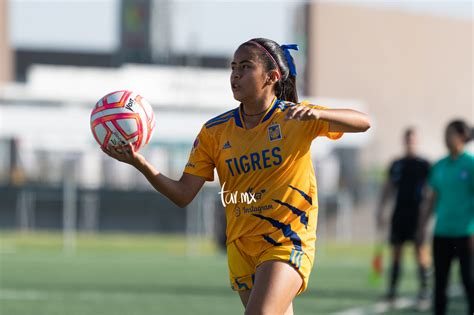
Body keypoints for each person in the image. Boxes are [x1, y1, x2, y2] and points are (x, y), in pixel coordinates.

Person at [103, 38, 370, 315]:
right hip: (241, 247)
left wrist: (315, 114)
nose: (235, 75)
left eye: (245, 66)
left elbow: (364, 122)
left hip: (286, 240)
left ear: (271, 77)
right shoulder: (214, 132)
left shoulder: (294, 118)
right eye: (232, 67)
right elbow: (183, 195)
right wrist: (140, 163)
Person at [419, 120, 474, 315]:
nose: (445, 137)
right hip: (442, 233)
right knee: (440, 282)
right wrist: (423, 226)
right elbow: (432, 200)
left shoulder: (471, 164)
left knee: (469, 280)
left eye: (449, 133)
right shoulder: (440, 166)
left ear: (461, 136)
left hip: (466, 234)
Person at [375, 128, 431, 307]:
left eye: (413, 140)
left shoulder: (424, 164)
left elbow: (430, 191)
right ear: (404, 141)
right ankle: (392, 292)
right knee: (396, 254)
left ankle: (424, 291)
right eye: (407, 139)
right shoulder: (396, 164)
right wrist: (381, 210)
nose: (410, 142)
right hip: (399, 214)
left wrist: (427, 214)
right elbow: (388, 188)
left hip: (417, 216)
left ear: (417, 141)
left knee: (420, 252)